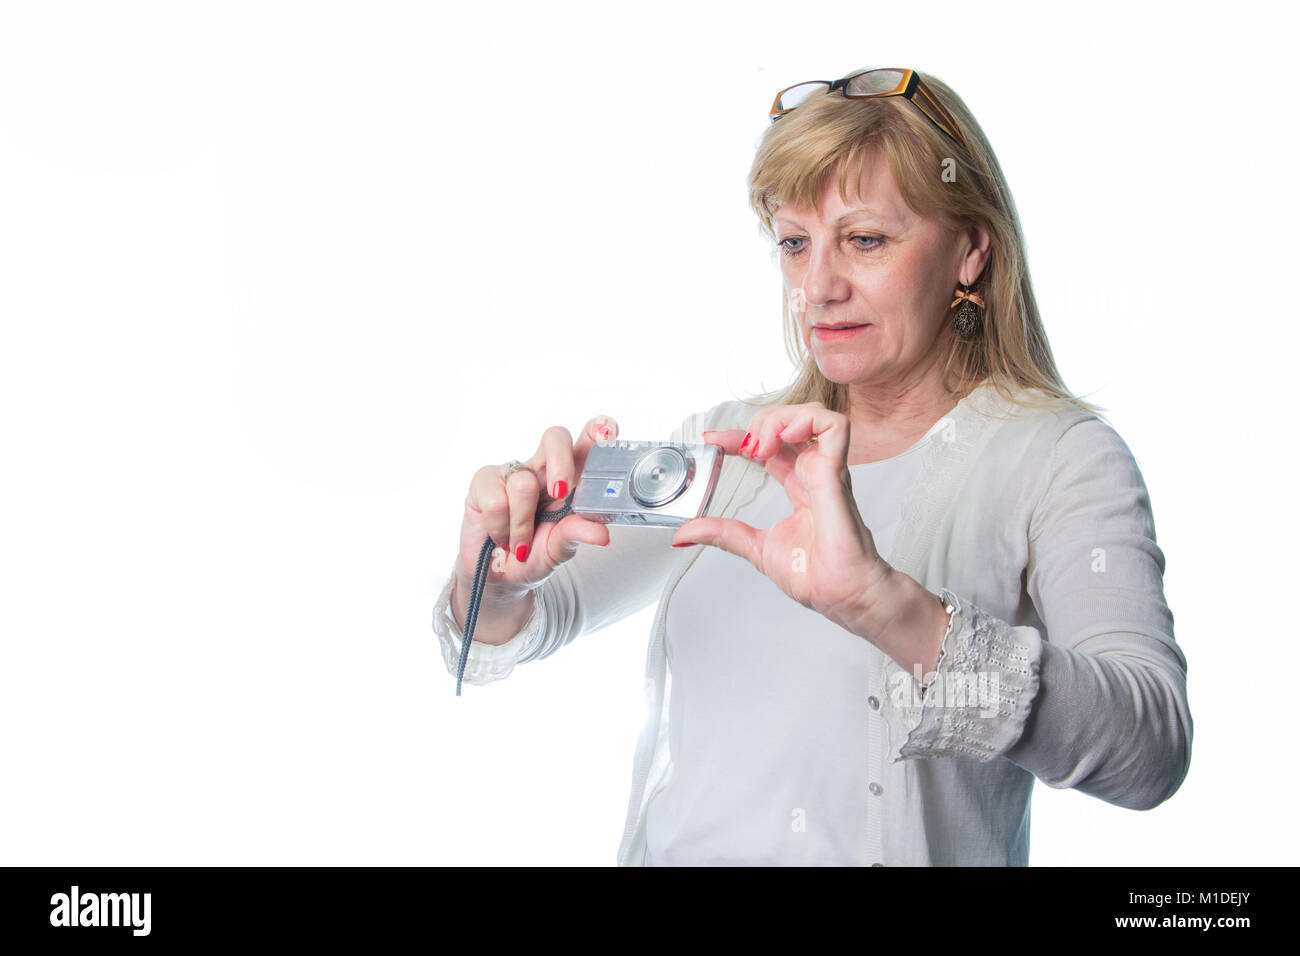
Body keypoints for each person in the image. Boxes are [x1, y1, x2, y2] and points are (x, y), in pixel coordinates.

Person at [431, 67, 1192, 866]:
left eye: (865, 240)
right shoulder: (732, 446)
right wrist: (498, 570)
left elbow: (1151, 751)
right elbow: (504, 633)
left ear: (970, 251)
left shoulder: (1056, 458)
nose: (818, 288)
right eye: (795, 243)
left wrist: (883, 603)